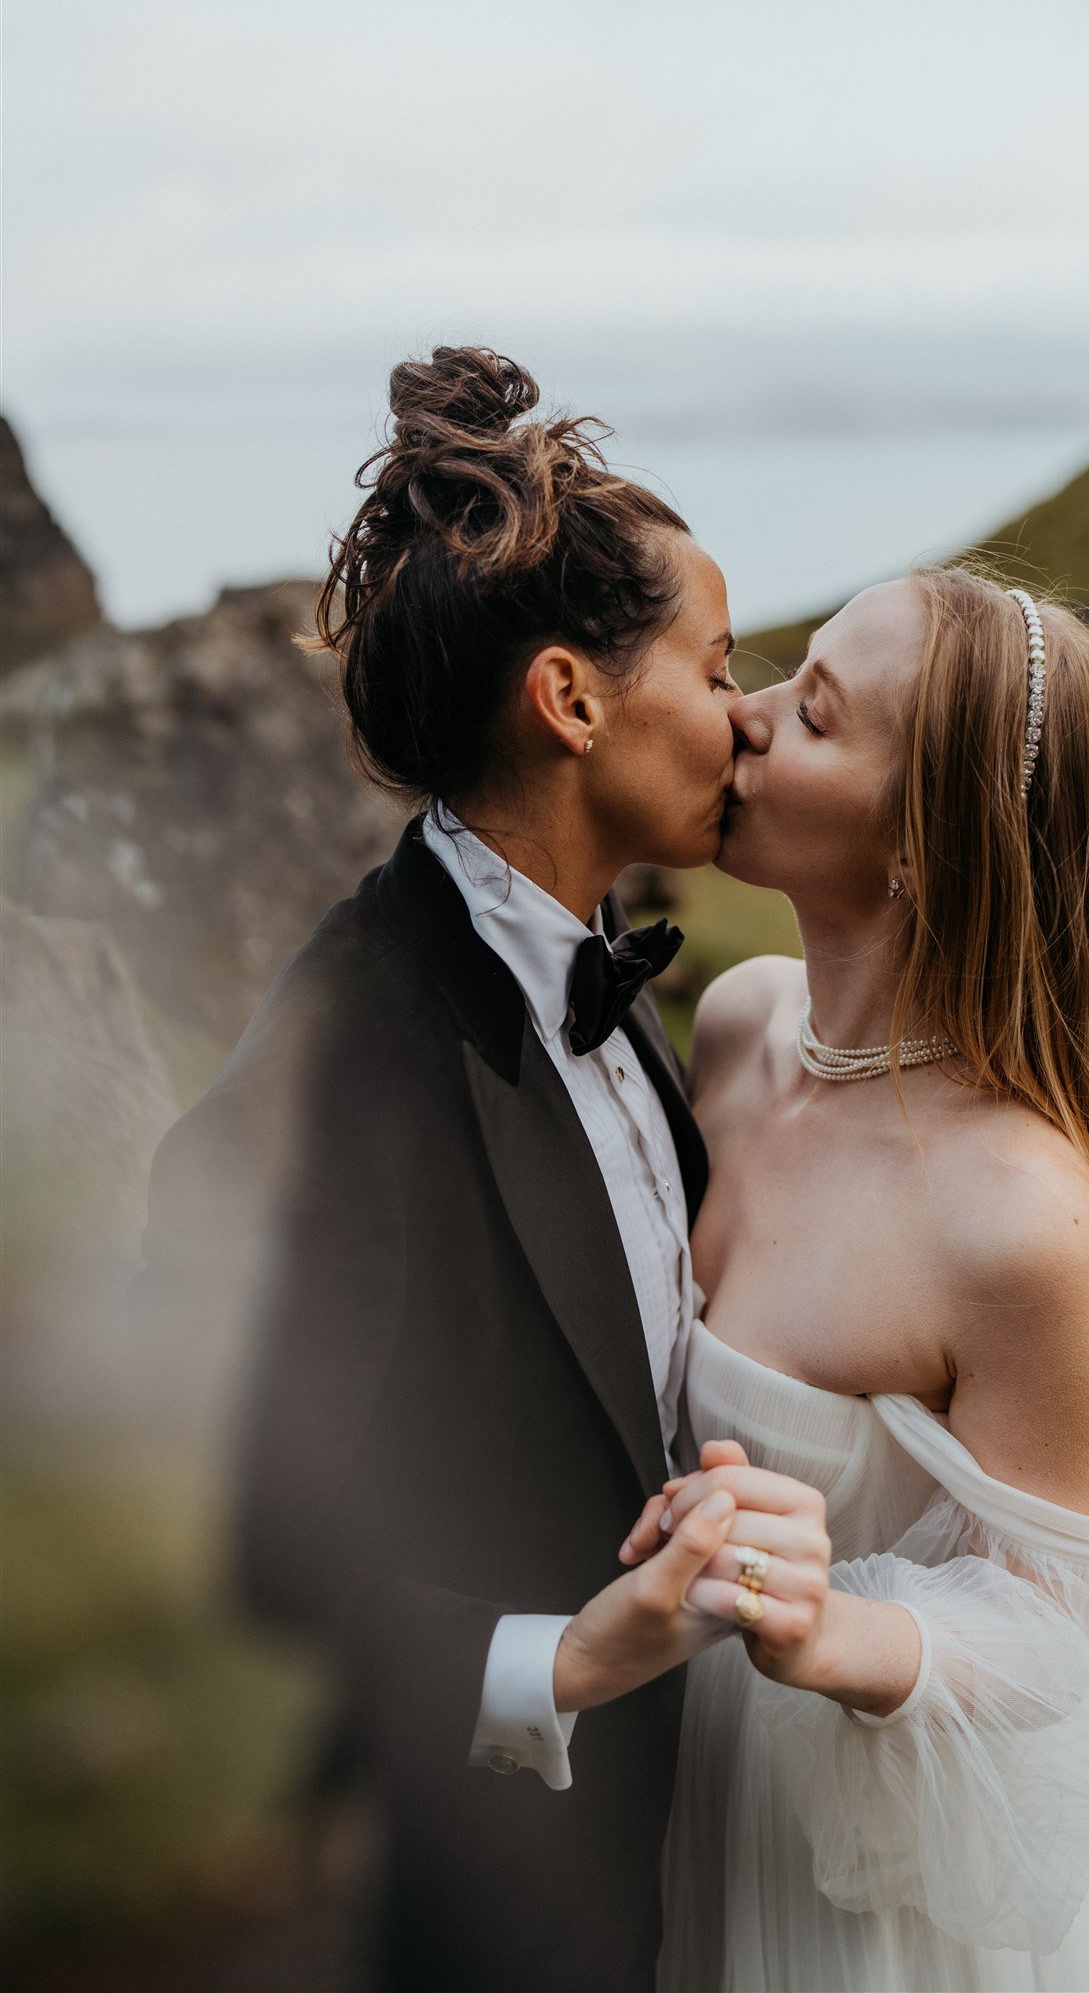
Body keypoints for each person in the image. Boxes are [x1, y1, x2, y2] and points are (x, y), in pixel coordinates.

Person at [129, 347, 756, 1992]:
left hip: (692, 1861)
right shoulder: (341, 1062)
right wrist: (551, 1665)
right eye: (717, 664)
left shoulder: (607, 968)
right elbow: (243, 1532)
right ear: (571, 699)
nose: (745, 713)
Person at [621, 568, 1089, 1990]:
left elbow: (1060, 1639)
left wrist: (834, 1633)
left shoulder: (1016, 1217)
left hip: (854, 1872)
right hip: (651, 1754)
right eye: (779, 676)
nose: (740, 719)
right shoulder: (735, 1023)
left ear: (919, 850)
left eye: (811, 718)